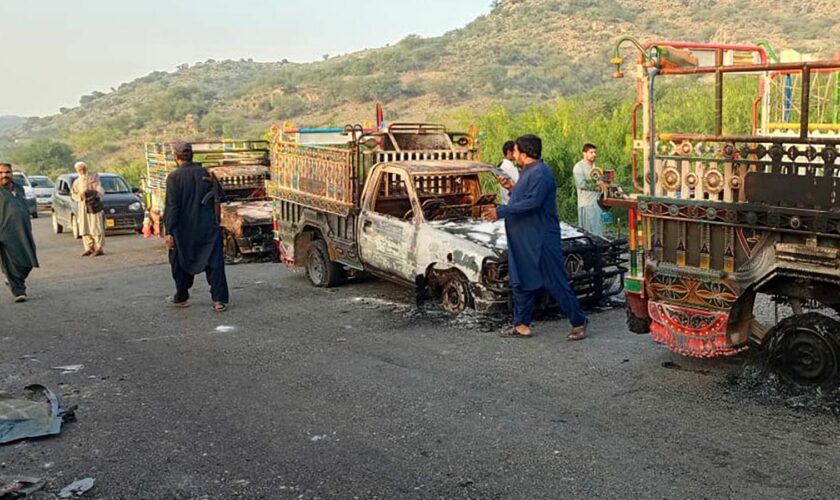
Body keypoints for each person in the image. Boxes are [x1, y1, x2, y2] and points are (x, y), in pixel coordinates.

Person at [483, 135, 587, 340]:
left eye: (515, 151)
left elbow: (533, 202)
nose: (514, 155)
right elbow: (524, 197)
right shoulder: (527, 172)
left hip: (540, 238)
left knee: (554, 280)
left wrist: (501, 211)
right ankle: (521, 324)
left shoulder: (541, 173)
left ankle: (578, 321)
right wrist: (511, 188)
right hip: (523, 238)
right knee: (520, 279)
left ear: (524, 152)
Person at [164, 142, 229, 311]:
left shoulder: (173, 177)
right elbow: (221, 197)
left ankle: (182, 294)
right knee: (214, 262)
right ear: (192, 155)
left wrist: (169, 231)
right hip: (208, 226)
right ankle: (218, 300)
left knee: (178, 260)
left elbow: (172, 206)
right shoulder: (206, 173)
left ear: (176, 157)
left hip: (184, 229)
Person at [0, 163, 38, 302]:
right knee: (11, 261)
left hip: (23, 230)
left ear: (12, 173)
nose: (4, 175)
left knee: (28, 260)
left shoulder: (20, 188)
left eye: (7, 172)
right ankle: (19, 291)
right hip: (5, 232)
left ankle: (12, 279)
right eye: (1, 172)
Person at [70, 161, 106, 256]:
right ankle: (89, 248)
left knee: (96, 227)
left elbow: (99, 189)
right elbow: (74, 194)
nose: (82, 171)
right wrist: (80, 196)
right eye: (79, 170)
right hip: (83, 207)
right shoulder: (77, 182)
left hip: (94, 205)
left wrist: (92, 194)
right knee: (84, 227)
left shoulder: (94, 177)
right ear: (76, 170)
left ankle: (99, 248)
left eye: (83, 169)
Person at [572, 143, 604, 236]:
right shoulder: (578, 167)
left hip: (597, 203)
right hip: (586, 204)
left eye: (595, 152)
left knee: (598, 229)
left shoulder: (595, 167)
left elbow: (600, 181)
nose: (594, 154)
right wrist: (597, 187)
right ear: (584, 153)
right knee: (587, 232)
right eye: (591, 152)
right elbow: (581, 184)